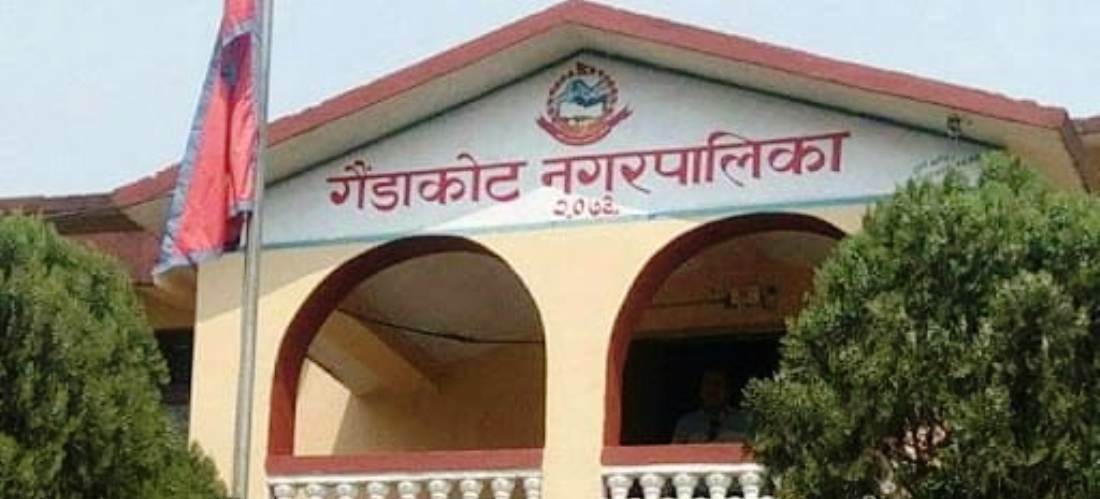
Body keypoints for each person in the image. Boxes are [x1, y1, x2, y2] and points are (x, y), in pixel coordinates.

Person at [672, 368, 752, 443]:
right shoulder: (686, 424)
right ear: (700, 391)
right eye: (707, 384)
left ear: (728, 391)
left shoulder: (743, 421)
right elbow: (675, 452)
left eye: (717, 384)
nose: (712, 389)